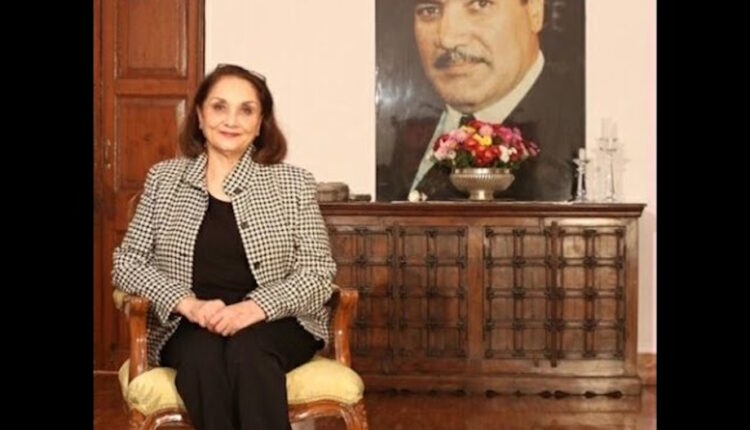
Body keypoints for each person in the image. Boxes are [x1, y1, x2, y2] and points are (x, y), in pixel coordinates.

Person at [112, 64, 336, 430]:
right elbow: (127, 263)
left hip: (277, 322)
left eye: (246, 110)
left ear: (260, 123)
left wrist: (255, 308)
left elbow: (318, 273)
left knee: (249, 353)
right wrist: (190, 305)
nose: (231, 120)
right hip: (188, 324)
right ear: (200, 116)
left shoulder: (293, 183)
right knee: (203, 359)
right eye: (219, 107)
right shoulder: (164, 179)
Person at [379, 0, 583, 201]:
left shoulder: (581, 129)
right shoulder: (388, 131)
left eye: (480, 4)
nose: (447, 39)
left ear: (534, 11)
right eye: (429, 10)